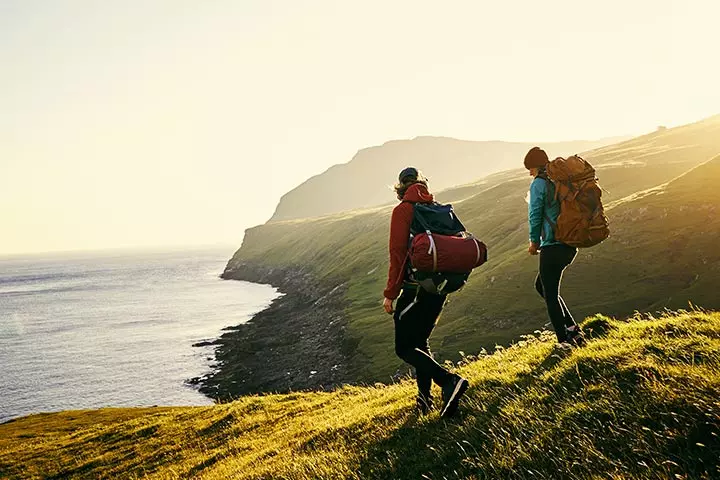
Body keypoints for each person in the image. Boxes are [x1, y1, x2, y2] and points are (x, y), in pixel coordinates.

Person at [383, 167, 469, 417]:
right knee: (420, 342)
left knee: (404, 347)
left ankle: (449, 381)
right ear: (422, 184)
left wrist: (391, 293)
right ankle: (424, 401)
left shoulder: (403, 211)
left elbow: (397, 255)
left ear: (400, 188)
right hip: (439, 287)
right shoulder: (437, 207)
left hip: (414, 289)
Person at [524, 147, 585, 348]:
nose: (529, 173)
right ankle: (573, 330)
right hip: (569, 244)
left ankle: (564, 341)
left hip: (553, 246)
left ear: (535, 166)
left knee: (549, 292)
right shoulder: (558, 181)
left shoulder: (539, 185)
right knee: (542, 286)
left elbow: (535, 215)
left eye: (530, 169)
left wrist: (534, 241)